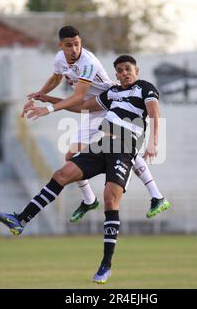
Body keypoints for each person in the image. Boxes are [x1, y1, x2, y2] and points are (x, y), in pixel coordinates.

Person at [0, 55, 163, 284]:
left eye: (127, 69)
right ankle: (21, 220)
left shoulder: (145, 88)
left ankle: (106, 264)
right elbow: (81, 106)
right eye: (120, 70)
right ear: (116, 74)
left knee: (110, 201)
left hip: (124, 148)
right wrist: (48, 100)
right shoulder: (112, 93)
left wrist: (153, 143)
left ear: (137, 71)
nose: (124, 73)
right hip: (101, 144)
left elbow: (153, 114)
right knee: (61, 174)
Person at [22, 25, 170, 222]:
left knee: (123, 145)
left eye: (77, 44)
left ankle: (156, 195)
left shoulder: (88, 63)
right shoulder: (59, 59)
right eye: (69, 45)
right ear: (61, 46)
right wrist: (43, 94)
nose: (74, 49)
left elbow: (78, 98)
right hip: (93, 107)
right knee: (71, 155)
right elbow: (57, 78)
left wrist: (48, 108)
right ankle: (90, 200)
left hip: (108, 105)